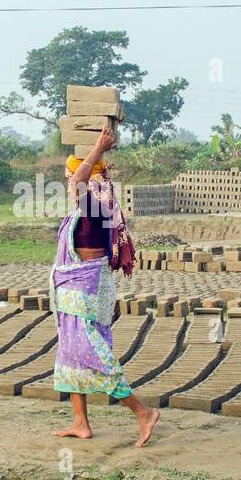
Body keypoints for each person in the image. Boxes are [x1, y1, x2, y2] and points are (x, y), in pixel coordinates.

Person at [51, 127, 161, 447]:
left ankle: (142, 411)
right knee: (69, 352)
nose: (67, 177)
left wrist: (97, 148)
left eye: (70, 170)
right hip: (75, 287)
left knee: (92, 353)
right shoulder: (88, 207)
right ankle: (81, 422)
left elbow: (76, 182)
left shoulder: (94, 203)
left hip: (84, 289)